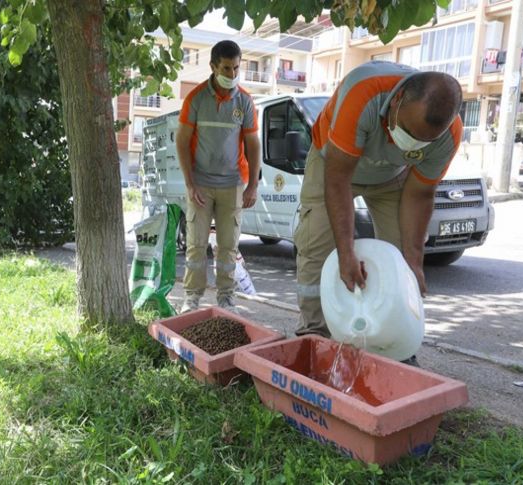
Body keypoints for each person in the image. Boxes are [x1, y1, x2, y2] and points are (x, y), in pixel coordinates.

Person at [294, 61, 462, 361]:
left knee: (400, 263)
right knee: (317, 249)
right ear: (397, 101)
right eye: (409, 132)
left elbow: (420, 193)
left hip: (392, 177)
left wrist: (414, 259)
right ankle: (314, 337)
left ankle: (395, 345)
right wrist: (346, 252)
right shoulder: (363, 94)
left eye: (424, 141)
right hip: (333, 163)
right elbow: (338, 179)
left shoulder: (449, 135)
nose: (413, 142)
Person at [176, 40, 261, 313]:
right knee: (196, 246)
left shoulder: (245, 101)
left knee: (228, 248)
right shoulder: (196, 99)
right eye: (226, 68)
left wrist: (252, 186)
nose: (232, 74)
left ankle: (226, 298)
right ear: (213, 66)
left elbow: (253, 144)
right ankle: (191, 299)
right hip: (201, 185)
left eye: (236, 68)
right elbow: (182, 141)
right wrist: (190, 184)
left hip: (232, 186)